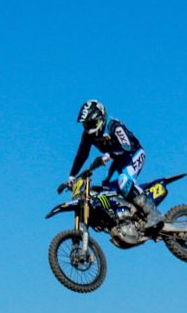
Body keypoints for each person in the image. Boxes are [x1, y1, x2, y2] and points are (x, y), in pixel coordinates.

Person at [68, 99, 163, 233]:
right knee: (107, 189)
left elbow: (126, 146)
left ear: (101, 118)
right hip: (118, 159)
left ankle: (153, 214)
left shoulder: (113, 126)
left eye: (92, 123)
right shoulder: (87, 135)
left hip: (133, 154)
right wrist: (72, 176)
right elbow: (82, 155)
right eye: (86, 124)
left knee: (124, 181)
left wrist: (108, 155)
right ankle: (127, 217)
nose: (89, 128)